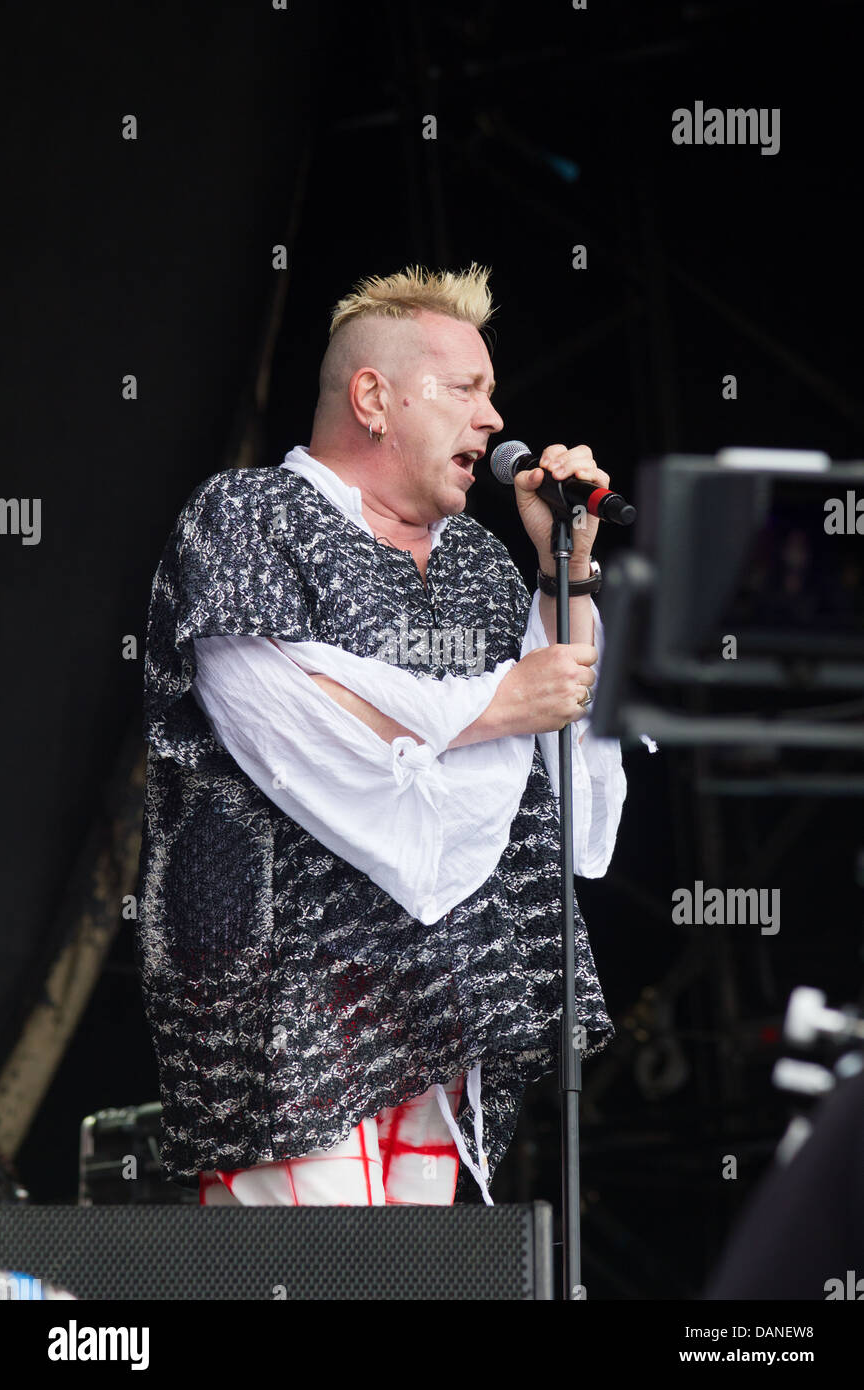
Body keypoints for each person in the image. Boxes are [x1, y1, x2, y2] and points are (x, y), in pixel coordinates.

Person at [135, 263, 627, 1208]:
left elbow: (566, 775)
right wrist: (497, 707)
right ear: (373, 397)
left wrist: (564, 574)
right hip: (290, 1034)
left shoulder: (483, 563)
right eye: (466, 390)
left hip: (445, 1027)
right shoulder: (247, 520)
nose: (493, 420)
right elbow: (291, 725)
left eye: (494, 394)